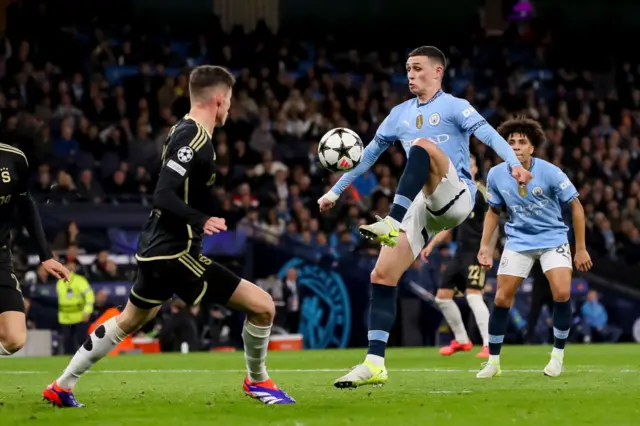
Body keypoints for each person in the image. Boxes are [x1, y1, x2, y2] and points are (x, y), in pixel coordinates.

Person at [43, 65, 295, 407]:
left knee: (131, 319)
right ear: (219, 99)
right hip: (175, 252)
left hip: (156, 249)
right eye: (231, 100)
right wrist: (200, 218)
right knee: (263, 307)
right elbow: (163, 193)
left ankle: (62, 385)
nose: (231, 108)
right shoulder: (192, 138)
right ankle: (258, 381)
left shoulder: (184, 130)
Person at [318, 46, 532, 389]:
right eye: (407, 69)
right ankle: (374, 363)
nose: (411, 75)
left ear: (437, 73)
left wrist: (514, 164)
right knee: (382, 275)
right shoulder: (398, 114)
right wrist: (334, 192)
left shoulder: (455, 106)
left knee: (422, 145)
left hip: (459, 194)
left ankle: (391, 220)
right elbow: (369, 155)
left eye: (417, 69)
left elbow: (489, 134)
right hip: (425, 203)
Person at [475, 117, 592, 379]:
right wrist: (485, 246)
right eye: (511, 142)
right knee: (502, 298)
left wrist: (580, 248)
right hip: (518, 241)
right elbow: (494, 212)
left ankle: (557, 356)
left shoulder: (549, 171)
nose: (516, 146)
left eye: (522, 142)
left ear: (532, 148)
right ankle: (493, 361)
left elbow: (576, 206)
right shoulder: (495, 174)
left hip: (553, 239)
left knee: (561, 293)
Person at [420, 155, 494, 358]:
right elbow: (450, 226)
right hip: (459, 253)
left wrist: (487, 250)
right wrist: (432, 244)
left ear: (476, 169)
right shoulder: (457, 193)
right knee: (442, 297)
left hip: (476, 252)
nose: (465, 168)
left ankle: (490, 345)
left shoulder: (481, 193)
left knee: (473, 295)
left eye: (469, 164)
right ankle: (462, 340)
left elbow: (493, 221)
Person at [0, 143, 70, 357]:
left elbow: (26, 205)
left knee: (14, 338)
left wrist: (46, 255)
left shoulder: (14, 158)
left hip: (0, 254)